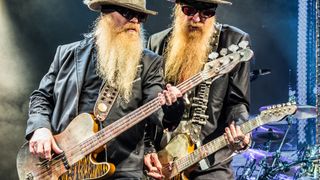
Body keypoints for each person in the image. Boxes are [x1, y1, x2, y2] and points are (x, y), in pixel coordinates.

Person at [25, 0, 184, 179]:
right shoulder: (66, 54)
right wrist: (40, 128)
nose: (134, 21)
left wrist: (173, 106)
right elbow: (41, 97)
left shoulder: (150, 63)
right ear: (105, 13)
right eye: (127, 13)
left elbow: (157, 111)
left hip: (122, 170)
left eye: (140, 16)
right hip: (60, 164)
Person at [144, 0, 252, 179]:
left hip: (207, 159)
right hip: (161, 160)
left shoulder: (233, 41)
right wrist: (148, 148)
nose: (196, 18)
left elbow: (237, 102)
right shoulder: (157, 43)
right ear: (178, 9)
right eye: (189, 10)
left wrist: (240, 130)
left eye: (206, 13)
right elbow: (147, 107)